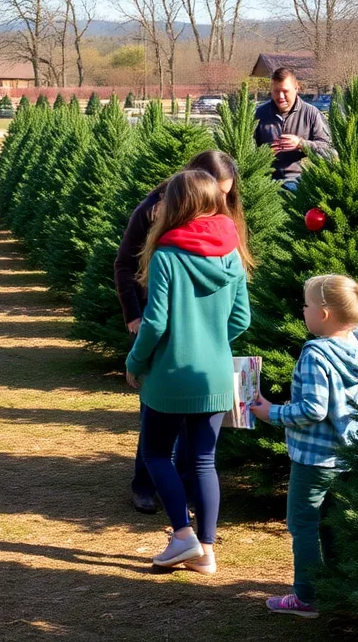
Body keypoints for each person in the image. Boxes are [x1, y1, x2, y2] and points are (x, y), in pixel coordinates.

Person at [126, 170, 253, 574]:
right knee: (203, 460)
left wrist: (135, 362)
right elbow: (242, 318)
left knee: (156, 453)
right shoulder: (231, 252)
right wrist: (213, 341)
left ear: (177, 204)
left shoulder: (166, 253)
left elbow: (156, 322)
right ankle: (208, 550)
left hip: (169, 373)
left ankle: (183, 536)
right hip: (215, 374)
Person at [249, 274, 358, 619]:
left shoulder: (315, 354)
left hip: (314, 460)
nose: (302, 310)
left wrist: (271, 412)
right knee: (336, 526)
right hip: (349, 456)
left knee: (303, 526)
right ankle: (339, 590)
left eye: (305, 305)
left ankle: (307, 597)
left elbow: (313, 409)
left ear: (322, 314)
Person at [253, 68, 332, 191]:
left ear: (297, 88)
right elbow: (247, 149)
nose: (281, 96)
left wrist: (302, 144)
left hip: (299, 180)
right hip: (264, 180)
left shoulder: (311, 114)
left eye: (285, 91)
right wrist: (264, 153)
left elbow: (329, 151)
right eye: (276, 91)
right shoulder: (259, 114)